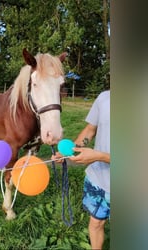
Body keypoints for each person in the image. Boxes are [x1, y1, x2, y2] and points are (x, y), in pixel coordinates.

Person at [52, 90, 110, 250]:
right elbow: (91, 130)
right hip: (98, 180)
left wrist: (99, 156)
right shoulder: (104, 97)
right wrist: (70, 151)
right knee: (96, 222)